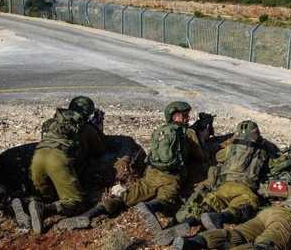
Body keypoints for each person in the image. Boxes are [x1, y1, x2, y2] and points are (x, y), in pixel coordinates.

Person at [57, 101, 207, 239]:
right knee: (166, 202)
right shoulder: (187, 133)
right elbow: (201, 156)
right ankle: (149, 207)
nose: (188, 118)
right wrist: (202, 138)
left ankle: (89, 214)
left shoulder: (160, 131)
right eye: (185, 115)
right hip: (171, 178)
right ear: (177, 117)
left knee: (124, 198)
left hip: (151, 174)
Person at [172, 153, 291, 250]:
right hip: (289, 221)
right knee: (265, 246)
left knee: (238, 234)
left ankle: (194, 242)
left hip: (271, 212)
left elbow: (289, 190)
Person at [168, 120, 276, 243]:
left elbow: (219, 156)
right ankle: (219, 217)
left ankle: (188, 222)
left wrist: (232, 146)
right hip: (245, 188)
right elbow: (275, 163)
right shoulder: (265, 148)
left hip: (225, 186)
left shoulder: (233, 146)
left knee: (209, 203)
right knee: (243, 206)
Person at [12, 96, 108, 234]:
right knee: (76, 203)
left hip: (38, 158)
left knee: (47, 196)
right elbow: (100, 150)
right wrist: (97, 128)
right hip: (58, 161)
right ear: (88, 113)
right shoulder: (86, 128)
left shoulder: (51, 122)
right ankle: (44, 209)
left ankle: (25, 203)